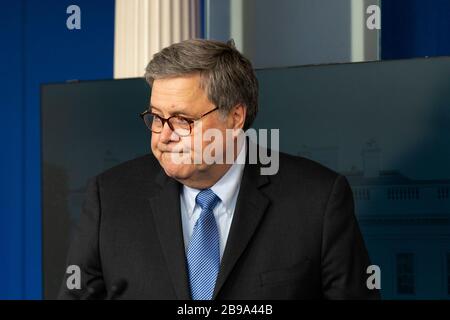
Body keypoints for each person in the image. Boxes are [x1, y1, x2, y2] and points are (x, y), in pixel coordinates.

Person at [58, 39, 379, 300]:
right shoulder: (110, 196)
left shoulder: (317, 198)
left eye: (183, 120)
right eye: (156, 117)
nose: (164, 135)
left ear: (235, 116)